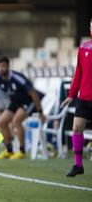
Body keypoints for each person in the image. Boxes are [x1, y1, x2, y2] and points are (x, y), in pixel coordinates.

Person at [0, 55, 45, 160]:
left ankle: (22, 151)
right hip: (15, 102)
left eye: (3, 66)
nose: (0, 69)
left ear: (8, 66)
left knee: (16, 121)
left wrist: (41, 112)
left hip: (29, 101)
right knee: (1, 122)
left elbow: (33, 94)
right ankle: (9, 151)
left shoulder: (17, 77)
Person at [60, 18, 92, 177]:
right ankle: (78, 165)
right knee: (76, 128)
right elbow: (78, 73)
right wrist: (71, 95)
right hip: (84, 98)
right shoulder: (84, 48)